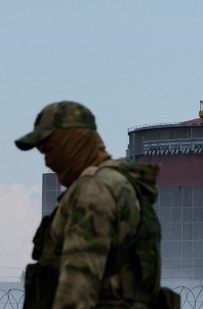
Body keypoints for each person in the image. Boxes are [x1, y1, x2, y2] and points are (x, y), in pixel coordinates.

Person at [15, 101, 171, 309]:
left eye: (49, 150)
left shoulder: (94, 189)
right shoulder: (118, 184)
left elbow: (78, 287)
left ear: (73, 141)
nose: (47, 162)